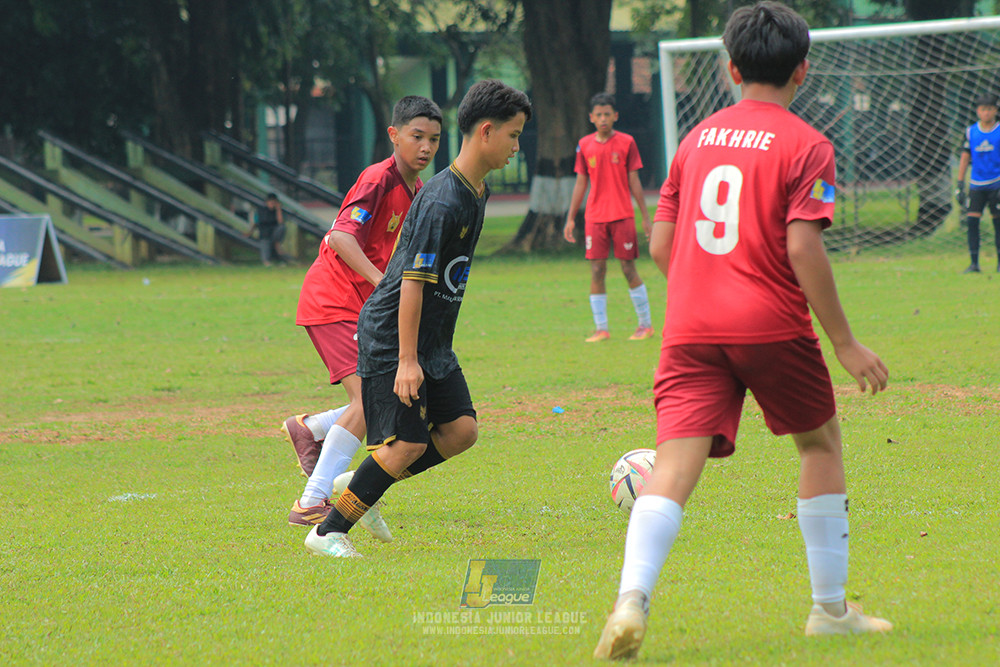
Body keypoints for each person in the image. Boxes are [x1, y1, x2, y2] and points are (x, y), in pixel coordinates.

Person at [593, 3, 892, 660]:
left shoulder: (696, 139)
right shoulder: (807, 143)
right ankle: (830, 610)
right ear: (803, 70)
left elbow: (663, 241)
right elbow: (804, 247)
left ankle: (631, 598)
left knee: (673, 465)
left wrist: (704, 293)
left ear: (729, 68)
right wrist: (844, 341)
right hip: (770, 321)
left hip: (690, 324)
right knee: (819, 443)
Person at [303, 79, 532, 558]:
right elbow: (411, 280)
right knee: (405, 445)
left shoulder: (477, 191)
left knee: (461, 431)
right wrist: (408, 359)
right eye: (513, 135)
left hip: (432, 341)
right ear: (487, 132)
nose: (516, 146)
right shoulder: (444, 199)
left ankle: (361, 485)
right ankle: (326, 532)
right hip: (393, 337)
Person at [284, 96, 443, 533]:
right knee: (366, 403)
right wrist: (382, 283)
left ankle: (311, 428)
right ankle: (312, 501)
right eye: (417, 137)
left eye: (433, 139)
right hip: (332, 301)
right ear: (394, 135)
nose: (426, 147)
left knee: (380, 401)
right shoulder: (379, 178)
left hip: (362, 310)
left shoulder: (418, 190)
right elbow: (340, 237)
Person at [563, 93, 654, 343]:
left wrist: (645, 217)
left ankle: (645, 325)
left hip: (622, 215)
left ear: (615, 116)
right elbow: (581, 182)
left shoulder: (627, 142)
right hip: (595, 217)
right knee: (597, 269)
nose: (603, 119)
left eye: (607, 114)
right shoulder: (585, 145)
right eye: (598, 115)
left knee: (627, 267)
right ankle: (601, 329)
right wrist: (571, 218)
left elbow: (634, 180)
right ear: (591, 118)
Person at [955, 93, 1000, 273]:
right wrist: (960, 183)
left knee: (998, 223)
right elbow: (965, 157)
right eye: (982, 109)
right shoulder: (971, 132)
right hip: (977, 185)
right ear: (977, 111)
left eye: (989, 109)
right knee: (972, 222)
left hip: (997, 184)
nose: (986, 113)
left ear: (995, 110)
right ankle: (974, 263)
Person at [246, 193, 286, 266]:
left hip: (274, 235)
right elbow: (256, 223)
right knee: (266, 258)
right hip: (265, 235)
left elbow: (280, 222)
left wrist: (278, 209)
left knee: (282, 227)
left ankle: (277, 245)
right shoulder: (262, 210)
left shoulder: (276, 211)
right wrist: (250, 233)